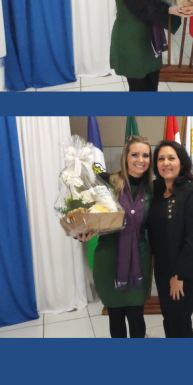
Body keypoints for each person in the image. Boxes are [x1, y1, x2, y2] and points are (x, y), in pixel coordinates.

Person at [76, 136, 153, 338]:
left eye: (146, 155)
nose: (140, 160)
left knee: (136, 316)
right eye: (135, 154)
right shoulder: (107, 183)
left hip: (139, 260)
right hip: (109, 259)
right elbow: (86, 215)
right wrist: (81, 232)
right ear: (125, 157)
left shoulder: (152, 189)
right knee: (115, 317)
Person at [147, 141, 193, 338]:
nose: (166, 163)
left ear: (181, 162)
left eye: (171, 158)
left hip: (186, 270)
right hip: (163, 268)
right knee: (169, 318)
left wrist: (179, 276)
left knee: (180, 321)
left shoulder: (192, 195)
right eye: (161, 159)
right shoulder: (156, 190)